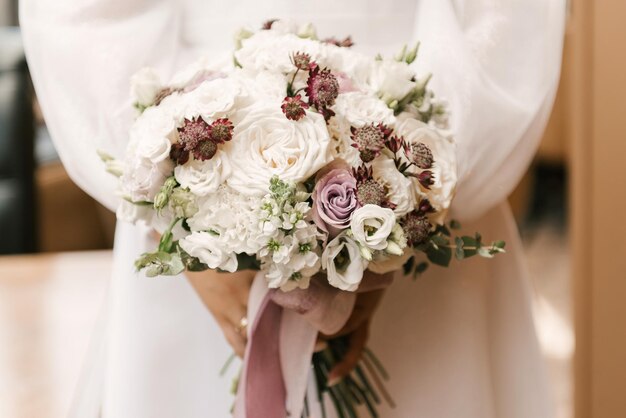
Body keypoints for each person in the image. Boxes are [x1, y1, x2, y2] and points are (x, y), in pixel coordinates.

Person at [20, 1, 565, 417]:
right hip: (192, 206)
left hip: (418, 163)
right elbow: (84, 19)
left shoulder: (418, 174)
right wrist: (181, 201)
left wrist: (409, 194)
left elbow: (500, 19)